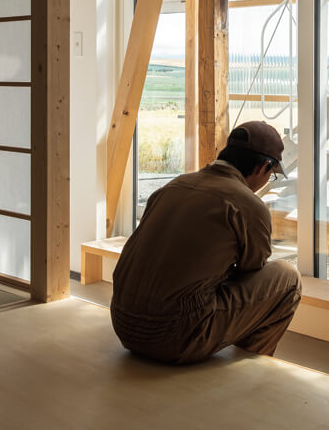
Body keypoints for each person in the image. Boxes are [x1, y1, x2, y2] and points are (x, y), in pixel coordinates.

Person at [110, 120, 301, 364]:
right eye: (271, 176)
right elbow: (251, 272)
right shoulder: (248, 205)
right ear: (263, 167)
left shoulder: (171, 187)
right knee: (288, 277)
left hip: (124, 326)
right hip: (175, 338)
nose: (267, 181)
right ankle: (252, 370)